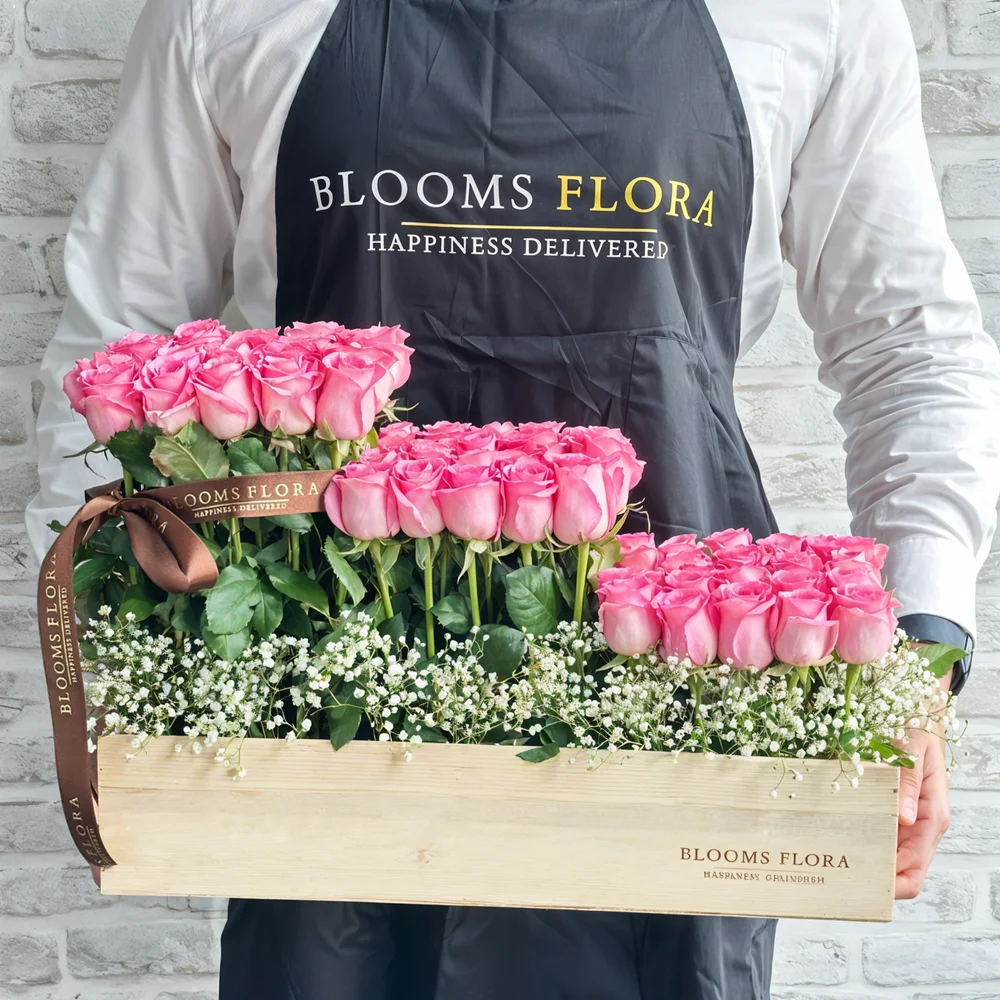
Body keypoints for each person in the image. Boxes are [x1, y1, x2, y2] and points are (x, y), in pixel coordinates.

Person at [27, 0, 1000, 997]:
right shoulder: (226, 11)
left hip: (689, 702)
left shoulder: (817, 13)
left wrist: (914, 664)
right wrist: (106, 652)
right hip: (328, 708)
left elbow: (909, 351)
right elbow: (115, 341)